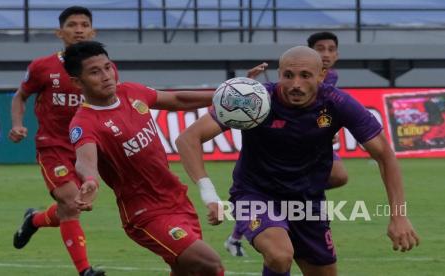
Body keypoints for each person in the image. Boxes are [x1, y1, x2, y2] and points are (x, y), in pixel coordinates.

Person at [176, 46, 419, 276]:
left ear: (322, 74)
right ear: (279, 73)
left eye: (305, 75)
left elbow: (385, 155)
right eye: (288, 75)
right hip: (255, 194)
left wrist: (399, 215)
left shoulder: (337, 103)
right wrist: (209, 194)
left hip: (307, 202)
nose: (295, 84)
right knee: (280, 255)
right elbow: (189, 139)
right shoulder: (257, 99)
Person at [65, 40, 224, 276]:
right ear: (78, 82)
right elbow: (85, 159)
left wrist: (224, 95)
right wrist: (90, 180)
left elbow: (178, 100)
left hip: (176, 198)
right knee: (210, 265)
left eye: (108, 67)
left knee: (186, 270)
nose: (106, 76)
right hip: (145, 214)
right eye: (95, 72)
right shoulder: (84, 123)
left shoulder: (131, 92)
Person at [224, 31, 347, 257]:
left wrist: (326, 130)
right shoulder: (290, 83)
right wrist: (249, 85)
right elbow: (276, 97)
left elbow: (322, 110)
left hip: (311, 147)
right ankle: (239, 233)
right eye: (321, 49)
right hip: (283, 145)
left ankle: (281, 208)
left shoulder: (332, 78)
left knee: (339, 176)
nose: (326, 54)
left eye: (331, 49)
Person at [9, 6, 110, 276]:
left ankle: (35, 219)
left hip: (86, 147)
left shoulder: (104, 69)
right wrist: (18, 125)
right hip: (52, 145)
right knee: (71, 201)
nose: (79, 29)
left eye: (84, 24)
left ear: (93, 31)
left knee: (74, 205)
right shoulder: (42, 67)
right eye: (72, 24)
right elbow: (20, 96)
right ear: (59, 32)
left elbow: (110, 105)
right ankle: (85, 270)